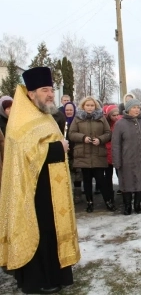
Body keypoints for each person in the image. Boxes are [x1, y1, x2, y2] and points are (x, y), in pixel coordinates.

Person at [0, 67, 80, 294]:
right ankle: (39, 280)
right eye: (45, 90)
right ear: (30, 93)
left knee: (52, 231)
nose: (50, 94)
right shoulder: (20, 121)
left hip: (53, 188)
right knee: (41, 232)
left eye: (51, 89)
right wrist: (58, 148)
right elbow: (27, 153)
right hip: (34, 192)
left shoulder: (45, 115)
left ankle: (56, 275)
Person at [69, 96, 114, 213]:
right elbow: (71, 133)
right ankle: (89, 202)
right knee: (87, 180)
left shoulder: (101, 118)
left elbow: (108, 133)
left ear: (95, 106)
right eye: (87, 105)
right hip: (83, 153)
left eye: (92, 105)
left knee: (101, 179)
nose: (90, 107)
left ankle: (108, 200)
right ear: (83, 106)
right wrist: (83, 138)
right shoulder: (77, 118)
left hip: (98, 152)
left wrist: (100, 139)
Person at [112, 98, 141, 215]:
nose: (137, 110)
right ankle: (127, 206)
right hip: (126, 159)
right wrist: (117, 161)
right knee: (127, 183)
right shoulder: (120, 124)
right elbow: (116, 144)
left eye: (138, 107)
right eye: (134, 107)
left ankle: (137, 205)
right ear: (128, 109)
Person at [63, 101, 83, 204]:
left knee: (78, 174)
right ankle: (69, 195)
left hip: (77, 151)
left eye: (71, 110)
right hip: (66, 152)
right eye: (67, 110)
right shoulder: (62, 121)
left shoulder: (78, 121)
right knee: (68, 174)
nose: (69, 112)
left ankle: (78, 195)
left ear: (74, 110)